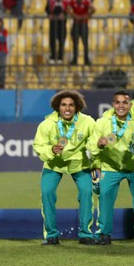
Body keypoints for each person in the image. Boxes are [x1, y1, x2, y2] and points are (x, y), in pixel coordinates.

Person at [33, 90, 97, 245]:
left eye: (71, 105)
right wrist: (50, 151)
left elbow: (93, 141)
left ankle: (86, 234)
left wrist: (94, 148)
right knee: (47, 193)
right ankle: (51, 235)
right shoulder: (47, 124)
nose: (67, 108)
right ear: (57, 107)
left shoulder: (87, 122)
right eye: (63, 105)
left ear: (77, 107)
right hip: (54, 164)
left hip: (79, 163)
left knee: (87, 192)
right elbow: (38, 146)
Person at [89, 91, 134, 245]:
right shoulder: (103, 122)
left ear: (130, 105)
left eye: (125, 102)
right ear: (113, 104)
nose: (121, 106)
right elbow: (90, 144)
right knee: (104, 197)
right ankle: (104, 233)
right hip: (111, 167)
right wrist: (98, 144)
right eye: (118, 102)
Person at [67, 0, 95, 66]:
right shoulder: (73, 1)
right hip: (76, 23)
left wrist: (87, 15)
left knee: (85, 42)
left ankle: (86, 59)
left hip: (83, 24)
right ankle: (74, 59)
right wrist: (73, 15)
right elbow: (68, 9)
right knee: (75, 43)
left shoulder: (86, 1)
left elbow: (93, 9)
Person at [46, 0, 69, 64]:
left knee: (62, 39)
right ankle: (52, 56)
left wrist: (64, 14)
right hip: (53, 22)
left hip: (62, 23)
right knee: (52, 39)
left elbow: (67, 9)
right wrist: (49, 14)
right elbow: (47, 8)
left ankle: (60, 57)